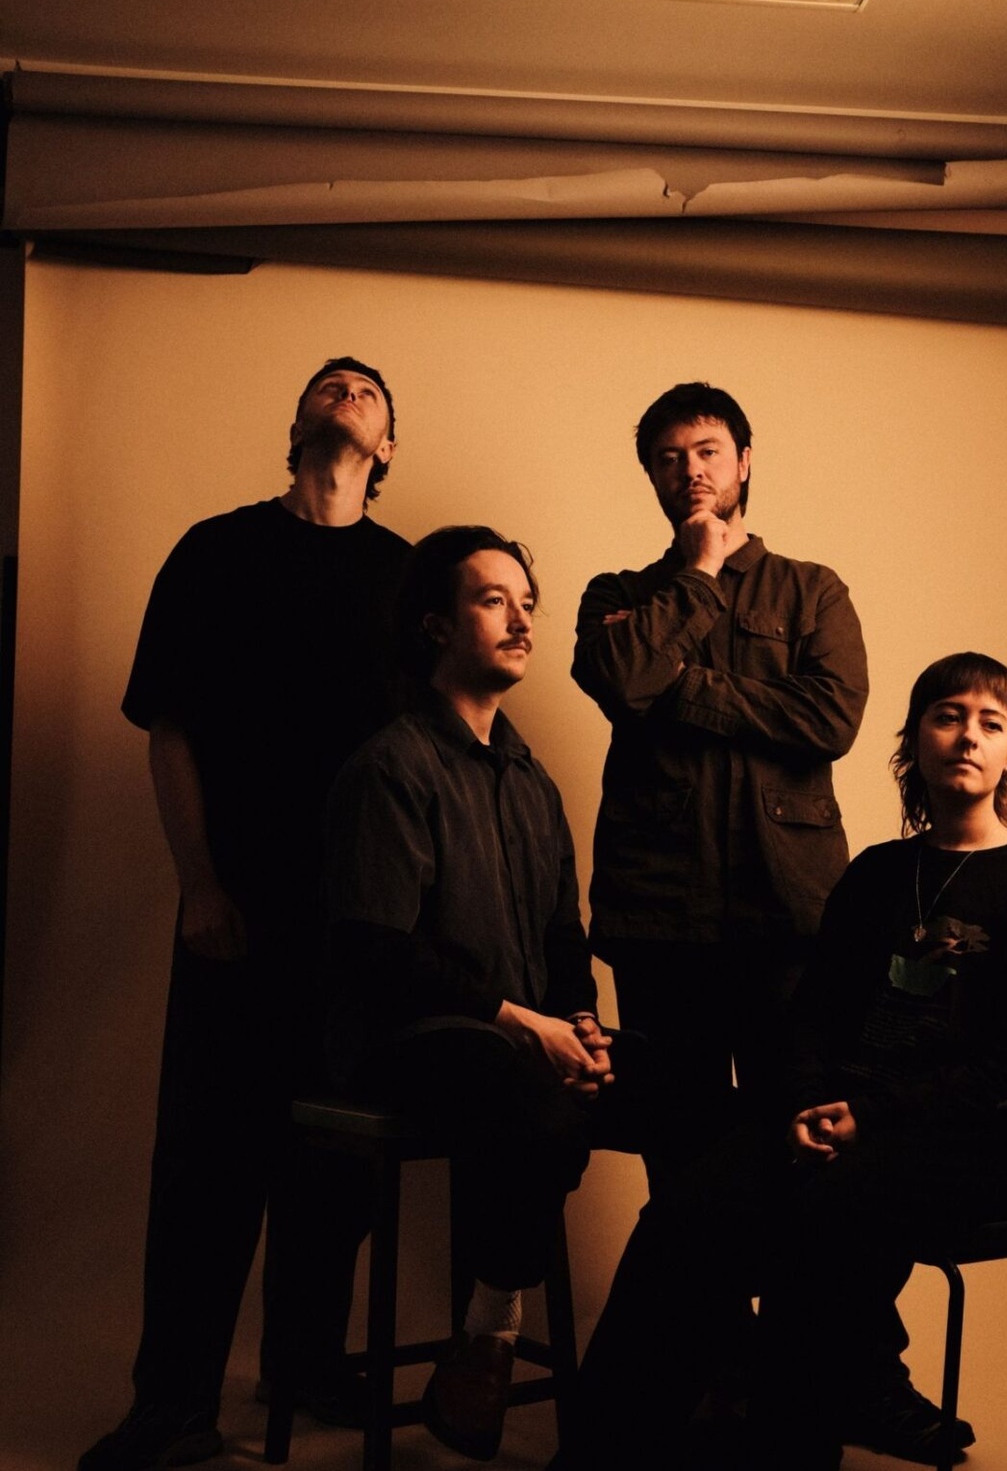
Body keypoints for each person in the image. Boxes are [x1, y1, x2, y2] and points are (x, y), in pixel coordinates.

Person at [554, 652, 1007, 1471]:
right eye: (948, 716)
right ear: (914, 740)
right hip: (840, 1117)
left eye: (992, 723)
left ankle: (785, 1450)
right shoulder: (876, 875)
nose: (968, 736)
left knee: (823, 1220)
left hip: (965, 1137)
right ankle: (605, 1454)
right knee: (689, 1207)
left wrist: (871, 1117)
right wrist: (806, 1103)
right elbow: (814, 1016)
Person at [80, 359, 412, 1471]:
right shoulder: (215, 551)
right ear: (298, 422)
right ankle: (173, 1405)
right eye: (329, 382)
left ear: (387, 447)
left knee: (339, 1161)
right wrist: (200, 885)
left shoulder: (405, 577)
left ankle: (305, 1362)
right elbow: (169, 727)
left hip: (363, 922)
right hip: (241, 905)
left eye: (367, 389)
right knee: (208, 1162)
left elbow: (425, 763)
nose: (346, 390)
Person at [322, 525, 647, 1464]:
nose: (521, 620)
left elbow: (562, 937)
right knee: (532, 1095)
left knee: (691, 1101)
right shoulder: (391, 764)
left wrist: (580, 1024)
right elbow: (378, 952)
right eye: (493, 600)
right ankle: (491, 1335)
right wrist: (525, 1026)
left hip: (523, 1041)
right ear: (437, 624)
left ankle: (651, 1386)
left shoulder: (532, 781)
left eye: (527, 603)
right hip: (405, 1040)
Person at [572, 381, 869, 1171]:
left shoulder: (813, 590)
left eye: (707, 451)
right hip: (661, 921)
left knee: (796, 1150)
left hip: (789, 915)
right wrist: (699, 576)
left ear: (744, 461)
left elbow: (830, 720)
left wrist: (678, 687)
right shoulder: (617, 594)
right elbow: (623, 677)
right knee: (680, 1160)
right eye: (669, 459)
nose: (691, 470)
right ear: (653, 477)